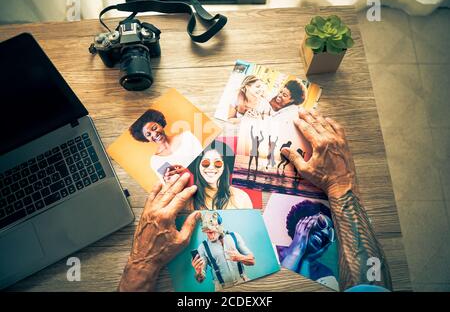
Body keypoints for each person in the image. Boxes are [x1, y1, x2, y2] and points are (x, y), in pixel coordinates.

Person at [118, 108, 392, 292]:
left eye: (217, 164)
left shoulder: (237, 210)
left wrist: (143, 261)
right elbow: (202, 278)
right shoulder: (196, 227)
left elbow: (247, 261)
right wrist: (341, 184)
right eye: (206, 165)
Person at [277, 200, 339, 291]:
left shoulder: (326, 275)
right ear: (301, 221)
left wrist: (307, 261)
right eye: (321, 223)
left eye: (330, 233)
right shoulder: (269, 250)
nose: (325, 233)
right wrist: (297, 251)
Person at [129, 109, 202, 183]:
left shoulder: (187, 137)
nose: (154, 134)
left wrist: (186, 171)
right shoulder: (156, 160)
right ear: (145, 139)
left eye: (154, 128)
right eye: (148, 134)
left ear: (160, 124)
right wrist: (168, 180)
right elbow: (168, 184)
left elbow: (205, 161)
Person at [191, 211, 255, 290]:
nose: (210, 236)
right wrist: (198, 273)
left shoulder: (234, 236)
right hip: (222, 288)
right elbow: (200, 280)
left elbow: (252, 261)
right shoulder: (203, 247)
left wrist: (240, 257)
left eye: (211, 232)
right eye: (207, 233)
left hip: (243, 282)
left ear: (219, 225)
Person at [188, 140, 253, 210]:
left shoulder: (241, 197)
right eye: (205, 163)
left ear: (224, 167)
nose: (211, 167)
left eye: (217, 163)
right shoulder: (187, 199)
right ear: (198, 165)